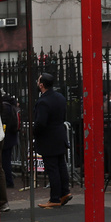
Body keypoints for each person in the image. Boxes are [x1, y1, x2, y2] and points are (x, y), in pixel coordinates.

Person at [34, 72, 71, 208]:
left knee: (52, 169)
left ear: (42, 85)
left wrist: (34, 132)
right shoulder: (60, 97)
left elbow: (41, 123)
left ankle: (55, 198)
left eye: (38, 81)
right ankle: (64, 192)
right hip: (60, 135)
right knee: (61, 165)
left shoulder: (43, 101)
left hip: (48, 138)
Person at [0, 94, 20, 188]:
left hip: (5, 138)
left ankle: (8, 181)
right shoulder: (12, 107)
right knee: (7, 160)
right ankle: (8, 179)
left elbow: (3, 122)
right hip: (12, 137)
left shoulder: (4, 107)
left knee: (5, 162)